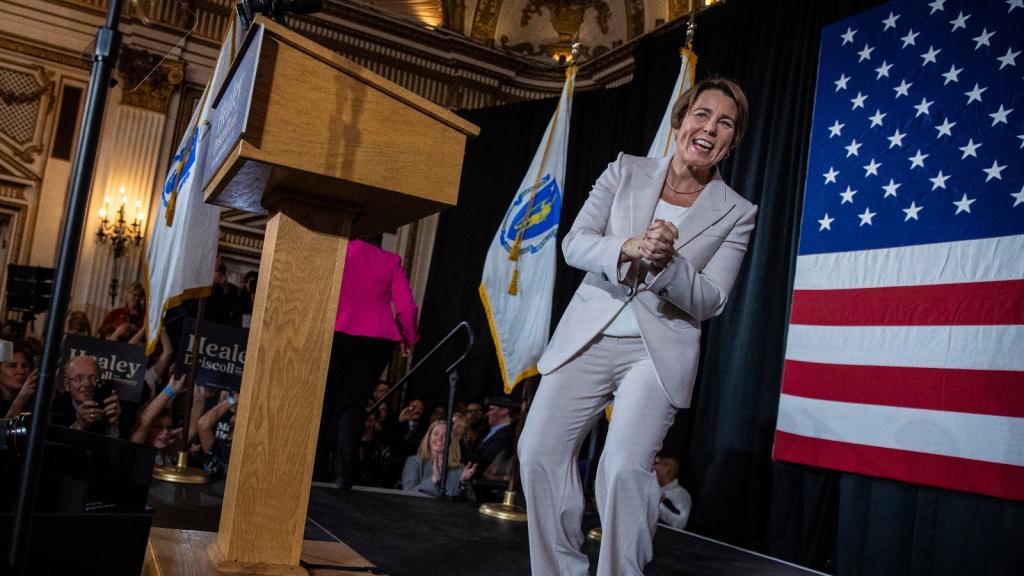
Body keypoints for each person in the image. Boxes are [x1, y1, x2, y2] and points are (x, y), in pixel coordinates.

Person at [518, 77, 757, 576]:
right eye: (702, 115)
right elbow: (575, 243)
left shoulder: (737, 212)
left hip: (656, 352)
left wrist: (670, 264)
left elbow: (711, 299)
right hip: (589, 334)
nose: (710, 128)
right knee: (538, 451)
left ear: (732, 142)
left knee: (625, 470)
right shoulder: (624, 171)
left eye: (725, 123)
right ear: (679, 123)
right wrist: (626, 246)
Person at [319, 236, 420, 489]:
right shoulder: (390, 260)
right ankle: (344, 473)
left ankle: (313, 464)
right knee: (354, 405)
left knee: (324, 399)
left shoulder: (338, 252)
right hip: (377, 339)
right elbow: (407, 308)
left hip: (337, 330)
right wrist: (409, 338)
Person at [401, 420, 476, 498]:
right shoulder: (414, 462)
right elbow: (408, 494)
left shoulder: (459, 468)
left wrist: (463, 482)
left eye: (445, 435)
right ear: (429, 438)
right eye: (436, 434)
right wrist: (434, 479)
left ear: (451, 441)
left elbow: (470, 500)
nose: (440, 438)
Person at [51, 355, 123, 437]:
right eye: (79, 378)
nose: (87, 384)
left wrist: (113, 425)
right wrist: (80, 425)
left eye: (93, 378)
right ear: (67, 385)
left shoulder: (112, 406)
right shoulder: (55, 407)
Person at [653, 453, 691, 530]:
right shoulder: (652, 488)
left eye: (657, 465)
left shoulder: (681, 494)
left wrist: (655, 505)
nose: (653, 470)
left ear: (668, 470)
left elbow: (680, 523)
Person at [0, 341, 37, 418]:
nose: (21, 371)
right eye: (12, 366)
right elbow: (3, 430)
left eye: (25, 366)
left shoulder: (34, 401)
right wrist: (20, 401)